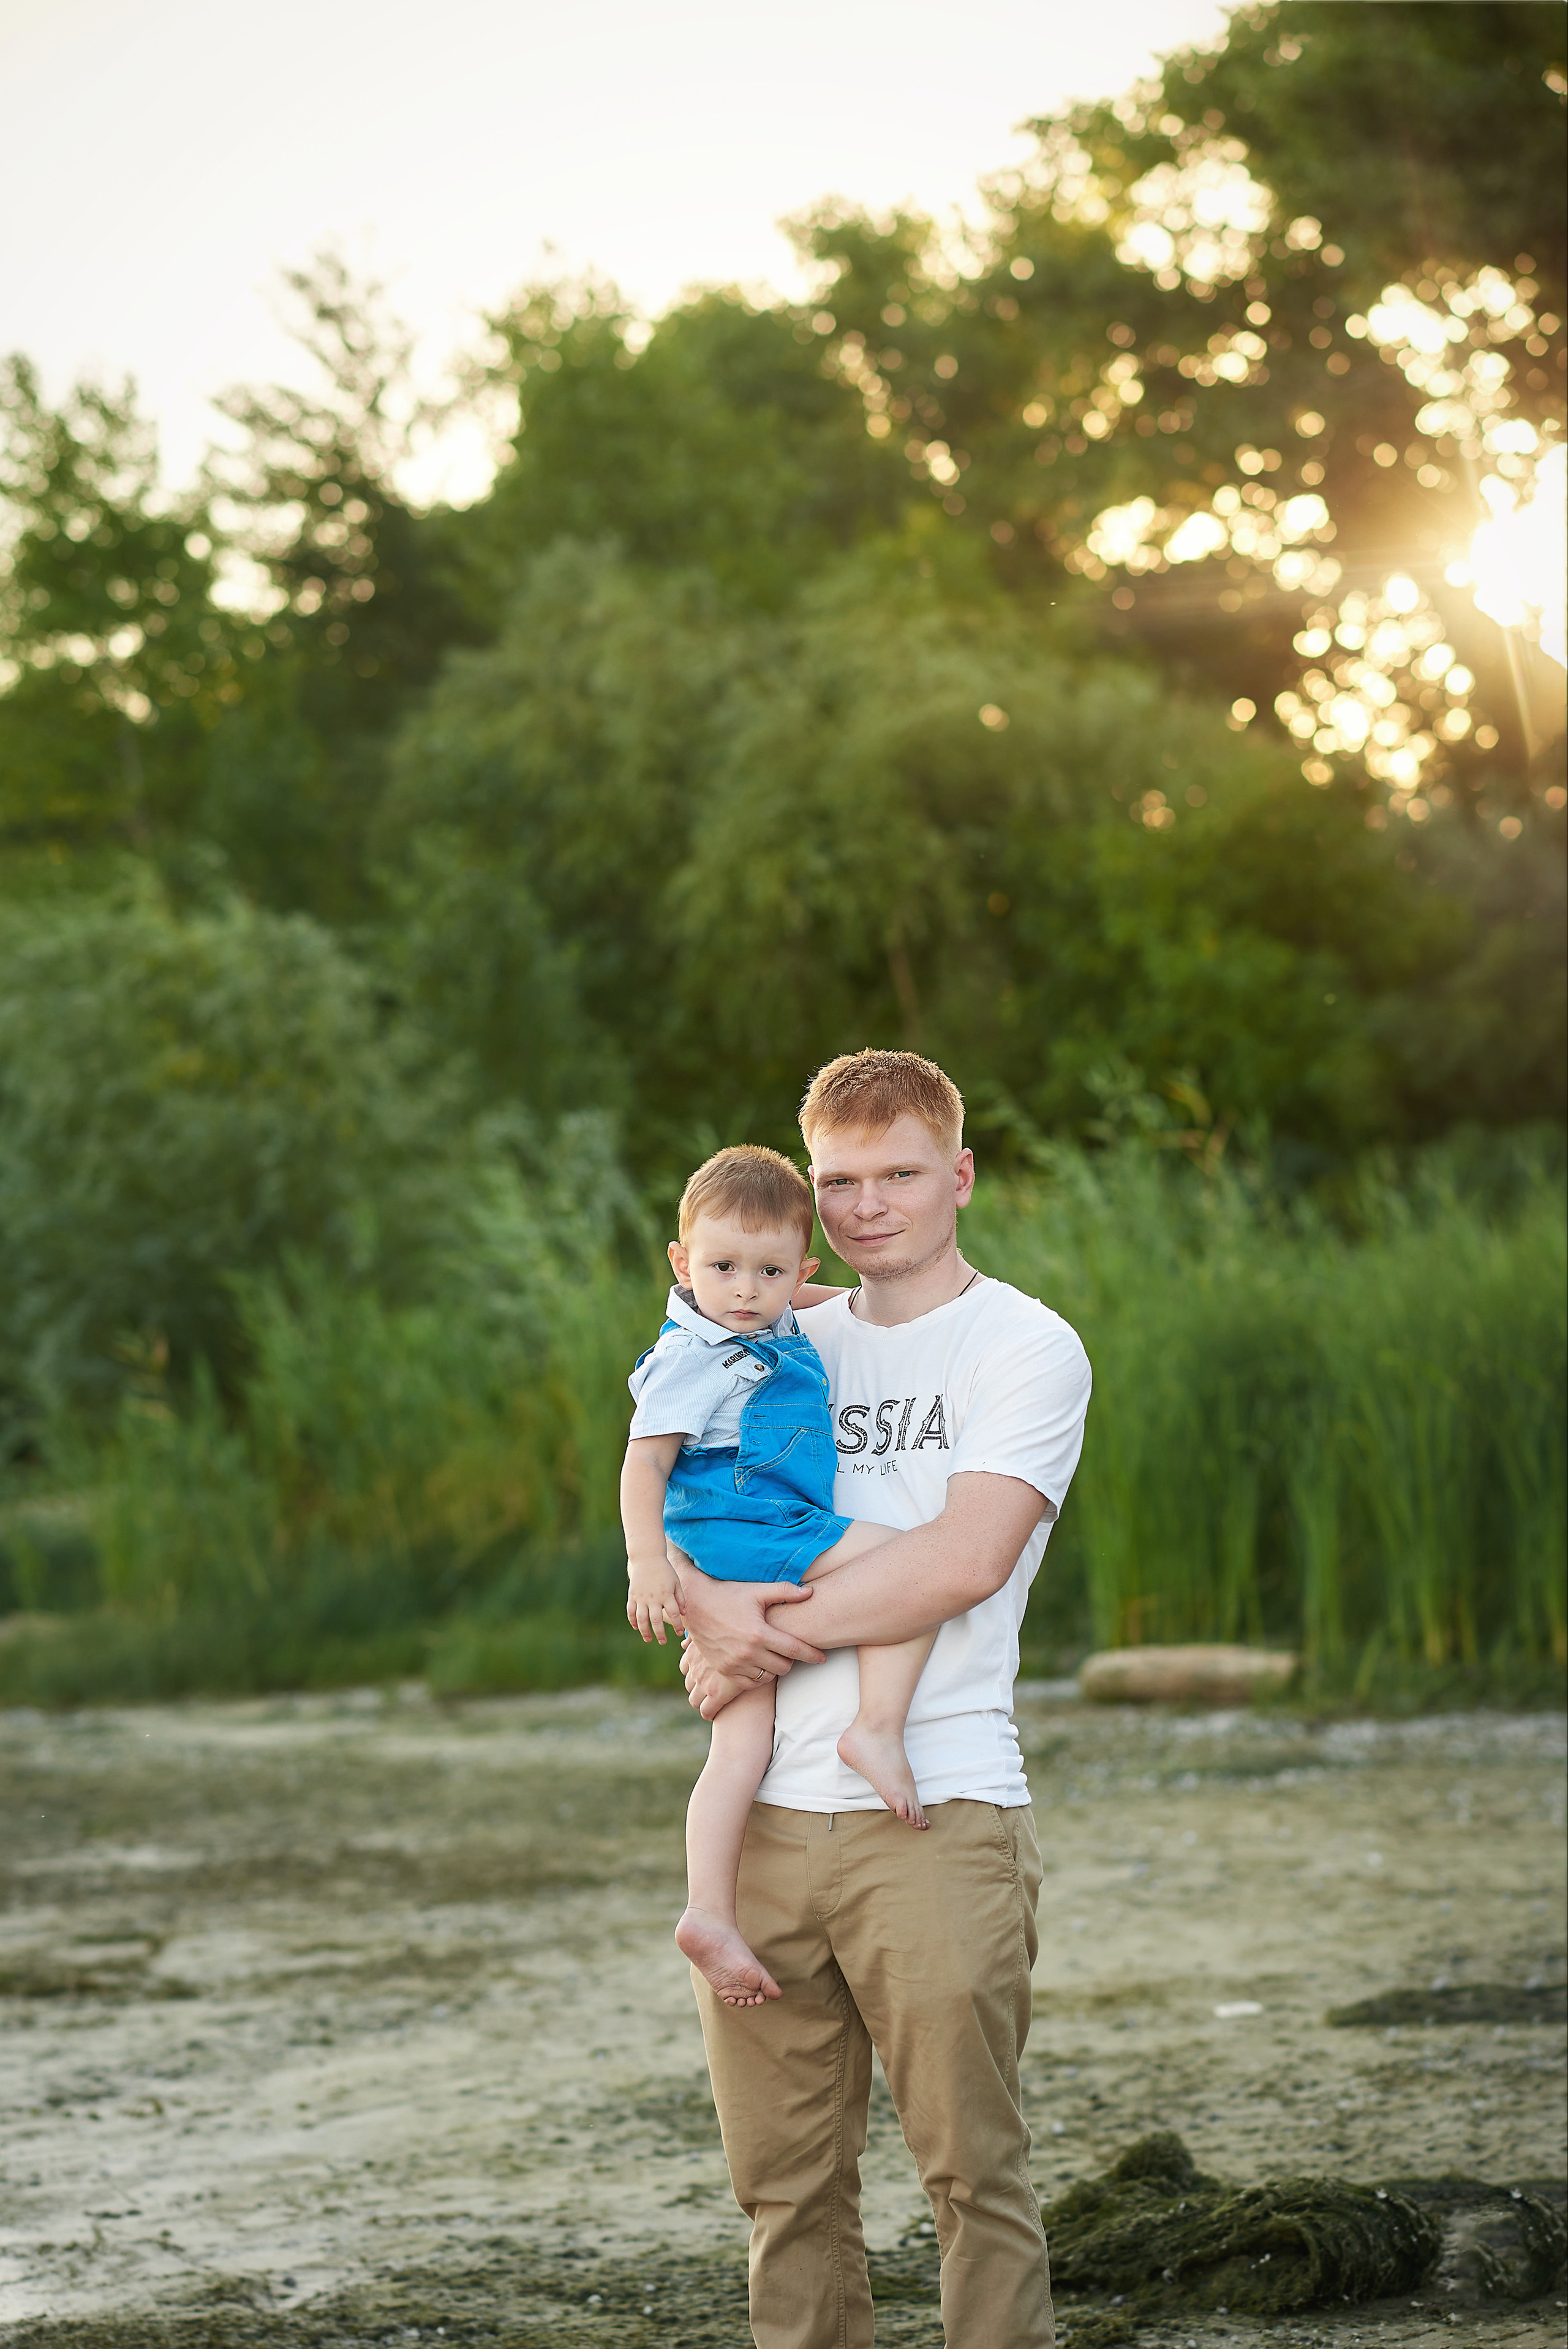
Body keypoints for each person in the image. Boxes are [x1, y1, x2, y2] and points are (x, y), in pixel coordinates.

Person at [676, 1049, 1091, 2349]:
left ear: (956, 1176)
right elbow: (688, 1508)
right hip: (763, 1830)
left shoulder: (1022, 1345)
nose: (865, 1207)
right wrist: (701, 1603)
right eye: (840, 1181)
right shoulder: (767, 1328)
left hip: (937, 1805)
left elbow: (961, 1564)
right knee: (785, 2195)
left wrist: (744, 1634)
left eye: (897, 1174)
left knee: (973, 2178)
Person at [621, 1144, 940, 2010]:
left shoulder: (771, 1322)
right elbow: (642, 1464)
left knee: (740, 1744)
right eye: (722, 1268)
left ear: (800, 1274)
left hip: (745, 1532)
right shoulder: (698, 1351)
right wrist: (652, 1567)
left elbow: (867, 1305)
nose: (745, 1290)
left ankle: (707, 1911)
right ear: (683, 1265)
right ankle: (877, 1725)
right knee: (912, 1564)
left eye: (768, 1272)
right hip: (753, 1529)